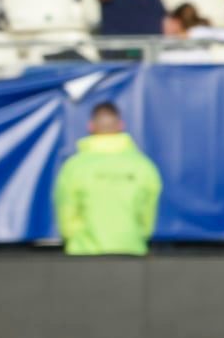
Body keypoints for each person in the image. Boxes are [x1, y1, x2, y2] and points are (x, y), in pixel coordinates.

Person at [53, 103, 159, 255]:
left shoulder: (74, 167)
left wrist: (79, 239)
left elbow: (66, 217)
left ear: (91, 126)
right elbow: (147, 221)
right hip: (132, 253)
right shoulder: (144, 166)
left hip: (83, 255)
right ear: (121, 126)